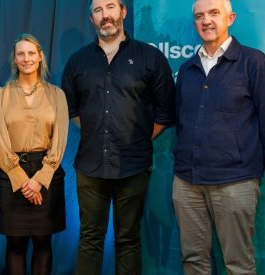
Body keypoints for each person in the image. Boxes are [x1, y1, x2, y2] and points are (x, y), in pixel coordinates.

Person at [61, 0, 175, 273]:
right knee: (90, 240)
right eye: (98, 11)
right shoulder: (78, 61)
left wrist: (136, 138)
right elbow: (71, 109)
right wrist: (97, 133)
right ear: (92, 19)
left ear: (123, 12)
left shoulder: (150, 57)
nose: (105, 15)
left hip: (134, 166)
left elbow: (165, 111)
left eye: (110, 7)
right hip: (90, 167)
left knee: (128, 240)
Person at [172, 0, 265, 274]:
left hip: (235, 183)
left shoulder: (253, 61)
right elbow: (182, 121)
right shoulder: (187, 70)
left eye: (213, 13)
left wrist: (246, 165)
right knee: (193, 261)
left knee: (238, 265)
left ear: (230, 18)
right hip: (187, 183)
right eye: (199, 16)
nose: (206, 21)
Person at [0, 33, 68, 275]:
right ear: (14, 59)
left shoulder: (57, 95)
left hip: (47, 172)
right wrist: (22, 180)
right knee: (15, 243)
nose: (26, 58)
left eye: (31, 53)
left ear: (40, 56)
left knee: (43, 242)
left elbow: (60, 140)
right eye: (21, 54)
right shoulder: (0, 96)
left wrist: (40, 179)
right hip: (10, 173)